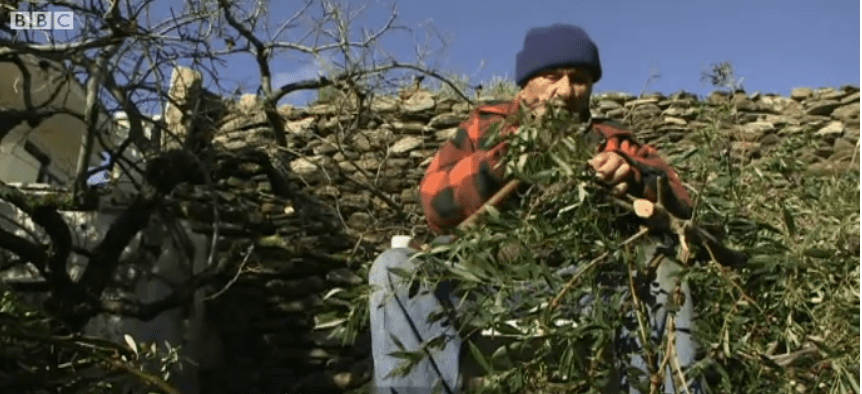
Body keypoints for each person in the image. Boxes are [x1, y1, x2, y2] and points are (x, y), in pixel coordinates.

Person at [369, 24, 704, 393]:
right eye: (552, 76)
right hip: (484, 287)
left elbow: (683, 208)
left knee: (665, 273)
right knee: (395, 269)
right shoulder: (486, 127)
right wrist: (503, 161)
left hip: (588, 291)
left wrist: (635, 178)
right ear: (526, 83)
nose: (565, 91)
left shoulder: (612, 141)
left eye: (578, 79)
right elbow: (434, 202)